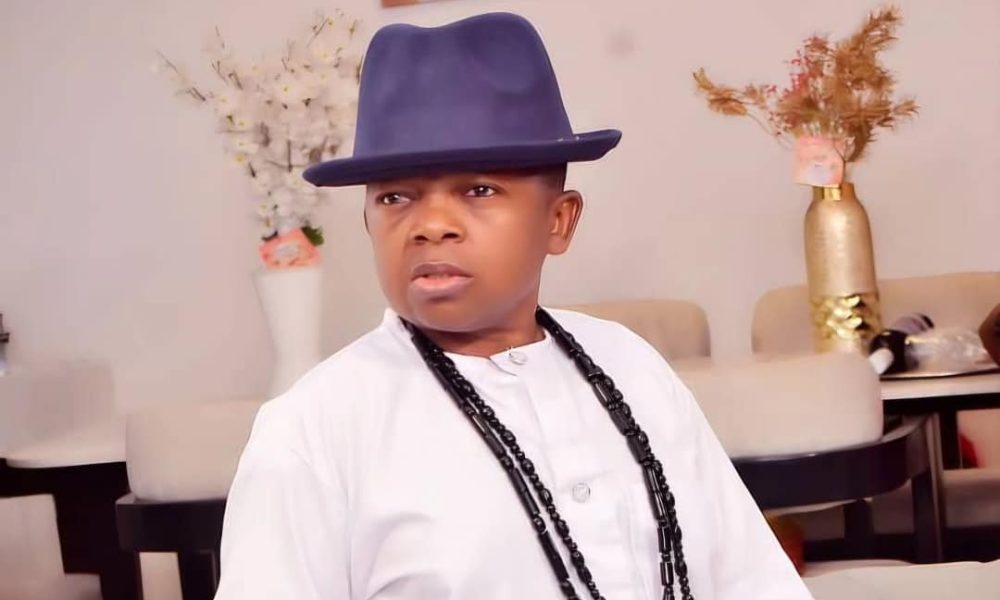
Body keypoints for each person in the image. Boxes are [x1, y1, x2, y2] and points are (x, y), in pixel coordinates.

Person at [215, 12, 812, 600]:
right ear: (368, 222)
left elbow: (752, 580)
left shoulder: (631, 369)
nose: (431, 225)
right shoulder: (316, 429)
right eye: (396, 197)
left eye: (479, 190)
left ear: (559, 220)